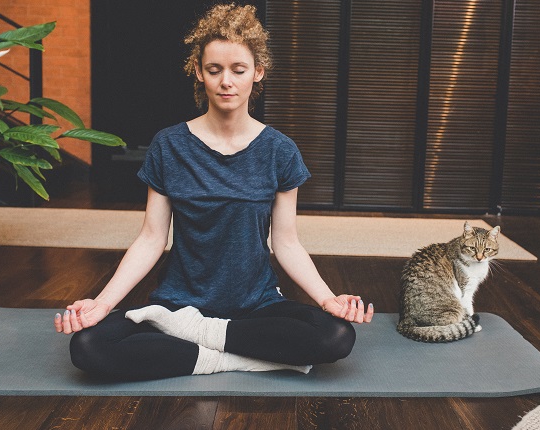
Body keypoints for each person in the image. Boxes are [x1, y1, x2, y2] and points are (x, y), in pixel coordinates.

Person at [54, 3, 374, 381]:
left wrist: (327, 299)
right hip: (177, 307)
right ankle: (244, 357)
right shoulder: (168, 145)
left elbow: (286, 242)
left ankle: (201, 345)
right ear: (198, 72)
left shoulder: (280, 151)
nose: (227, 81)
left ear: (258, 72)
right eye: (214, 69)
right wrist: (102, 302)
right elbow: (152, 238)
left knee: (336, 336)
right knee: (87, 347)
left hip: (255, 306)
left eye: (239, 70)